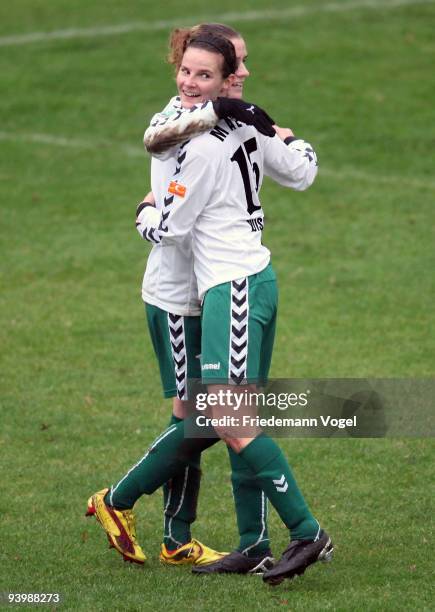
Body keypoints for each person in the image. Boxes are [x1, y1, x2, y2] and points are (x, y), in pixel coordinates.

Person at [88, 30, 333, 584]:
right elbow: (300, 169)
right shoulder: (230, 123)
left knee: (222, 417)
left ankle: (304, 532)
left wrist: (143, 212)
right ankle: (254, 543)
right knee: (229, 416)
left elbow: (170, 230)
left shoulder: (201, 146)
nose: (195, 81)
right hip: (220, 286)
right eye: (188, 71)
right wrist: (291, 140)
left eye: (212, 73)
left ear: (222, 82)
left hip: (228, 284)